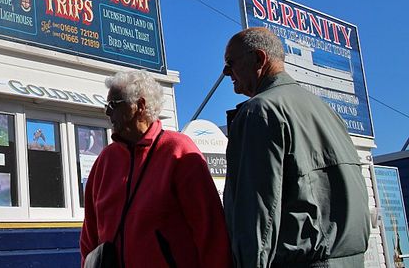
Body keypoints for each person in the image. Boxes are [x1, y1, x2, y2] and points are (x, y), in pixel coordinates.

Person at [223, 27, 370, 268]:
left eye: (230, 62)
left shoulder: (260, 111)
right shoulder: (326, 112)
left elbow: (257, 213)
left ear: (259, 59)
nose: (226, 71)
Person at [80, 69, 232, 268]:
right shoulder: (105, 160)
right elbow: (89, 235)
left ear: (139, 106)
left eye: (113, 105)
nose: (107, 112)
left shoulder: (178, 151)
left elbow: (210, 230)